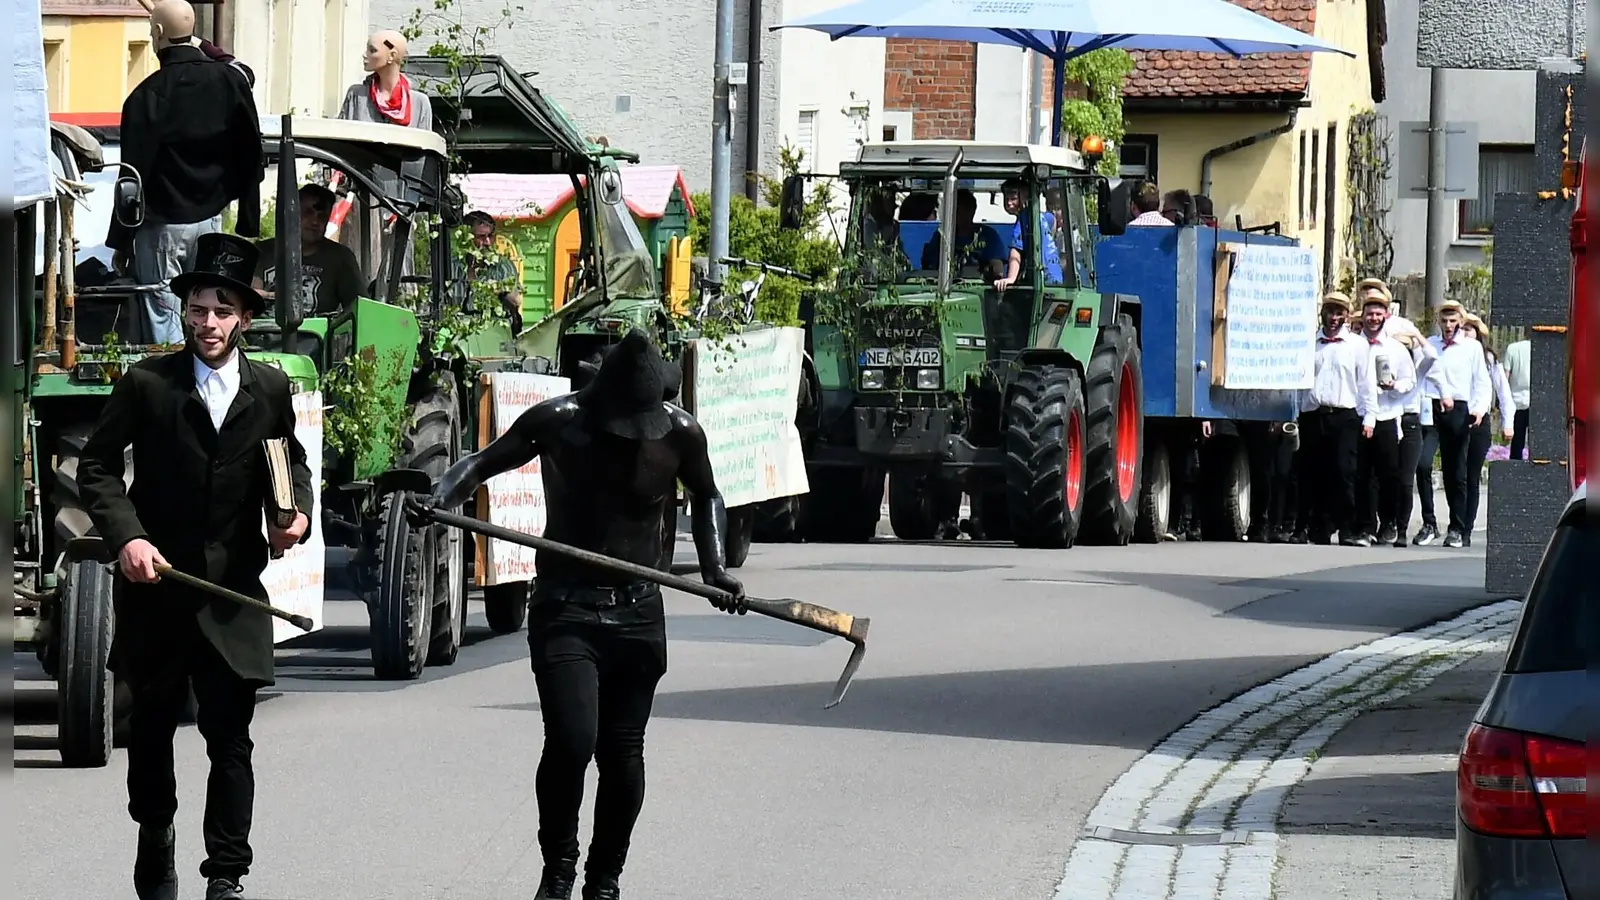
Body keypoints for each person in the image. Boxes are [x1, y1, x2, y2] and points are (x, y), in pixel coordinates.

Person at [415, 329, 746, 900]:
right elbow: (480, 464)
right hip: (566, 606)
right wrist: (440, 498)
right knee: (572, 740)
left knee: (622, 753)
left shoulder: (680, 432)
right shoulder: (559, 422)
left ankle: (604, 880)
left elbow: (708, 494)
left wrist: (714, 570)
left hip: (639, 610)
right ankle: (559, 871)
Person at [75, 232, 314, 900]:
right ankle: (157, 838)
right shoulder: (149, 383)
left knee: (230, 739)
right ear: (184, 313)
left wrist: (294, 515)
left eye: (222, 309)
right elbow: (96, 466)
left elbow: (288, 462)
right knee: (150, 735)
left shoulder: (268, 388)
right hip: (158, 591)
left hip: (233, 593)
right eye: (199, 309)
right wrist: (127, 537)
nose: (208, 322)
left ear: (244, 318)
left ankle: (227, 875)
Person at [110, 0, 264, 346]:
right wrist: (248, 220)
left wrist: (121, 241)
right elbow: (251, 151)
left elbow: (132, 179)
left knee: (163, 308)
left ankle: (172, 390)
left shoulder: (146, 96)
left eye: (152, 30)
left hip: (162, 226)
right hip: (210, 220)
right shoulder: (230, 82)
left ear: (159, 34)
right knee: (208, 308)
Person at [1299, 292, 1378, 546]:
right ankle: (1318, 527)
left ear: (1346, 316)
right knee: (1314, 473)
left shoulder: (1356, 345)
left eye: (1339, 313)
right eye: (1330, 312)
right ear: (1322, 313)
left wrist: (1370, 417)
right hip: (1314, 413)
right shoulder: (1310, 342)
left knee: (1344, 472)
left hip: (1344, 416)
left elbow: (1367, 383)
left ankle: (1347, 527)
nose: (1334, 318)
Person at [1352, 290, 1419, 546]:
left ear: (1386, 316)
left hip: (1386, 415)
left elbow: (1410, 380)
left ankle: (1388, 522)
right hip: (1358, 415)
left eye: (1378, 313)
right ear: (1363, 315)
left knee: (1388, 475)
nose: (1373, 318)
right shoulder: (1353, 343)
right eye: (1370, 313)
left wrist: (1395, 387)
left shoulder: (1395, 348)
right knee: (1362, 475)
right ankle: (1365, 526)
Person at [1423, 300, 1492, 548]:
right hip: (1431, 407)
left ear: (1461, 322)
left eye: (1453, 321)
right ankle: (1429, 522)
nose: (1448, 325)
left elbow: (1482, 381)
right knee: (1423, 464)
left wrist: (1479, 408)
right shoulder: (1431, 345)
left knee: (1457, 473)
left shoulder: (1472, 347)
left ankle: (1457, 526)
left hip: (1460, 409)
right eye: (1444, 320)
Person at [251, 184, 365, 318]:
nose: (315, 222)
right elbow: (251, 294)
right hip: (263, 334)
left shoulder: (340, 258)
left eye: (322, 216)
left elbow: (359, 309)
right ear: (292, 213)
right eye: (308, 213)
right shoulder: (262, 251)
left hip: (316, 336)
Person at [1459, 314, 1517, 547]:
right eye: (1461, 329)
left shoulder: (1489, 360)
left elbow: (1504, 393)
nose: (1464, 333)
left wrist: (1508, 423)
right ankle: (1455, 523)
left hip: (1479, 423)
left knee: (1471, 476)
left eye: (1469, 329)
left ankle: (1466, 527)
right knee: (1456, 476)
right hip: (1454, 420)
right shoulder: (1451, 355)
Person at [339, 30, 434, 130]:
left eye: (372, 50)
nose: (365, 55)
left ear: (391, 56)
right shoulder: (356, 96)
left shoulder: (419, 103)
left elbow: (424, 143)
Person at [1502, 337, 1531, 459]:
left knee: (1517, 444)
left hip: (1516, 400)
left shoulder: (1513, 348)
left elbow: (1505, 377)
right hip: (1538, 401)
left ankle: (1515, 469)